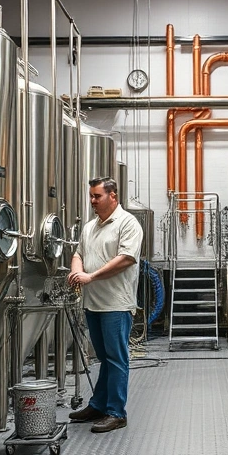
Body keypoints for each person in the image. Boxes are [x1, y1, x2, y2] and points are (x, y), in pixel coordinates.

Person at [66, 177, 144, 433]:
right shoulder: (90, 227)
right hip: (94, 304)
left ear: (113, 196)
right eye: (91, 196)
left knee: (117, 359)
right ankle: (99, 404)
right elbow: (79, 253)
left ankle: (116, 412)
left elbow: (126, 259)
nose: (92, 201)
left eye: (97, 196)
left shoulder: (127, 223)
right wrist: (77, 272)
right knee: (104, 358)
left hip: (116, 304)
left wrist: (91, 276)